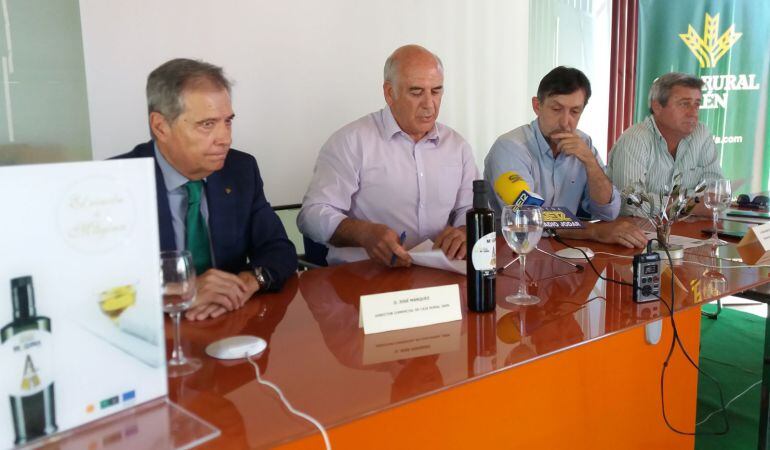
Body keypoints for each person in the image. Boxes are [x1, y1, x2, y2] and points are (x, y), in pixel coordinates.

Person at [115, 58, 297, 321]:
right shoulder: (115, 183)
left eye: (228, 121)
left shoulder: (240, 170)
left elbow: (279, 249)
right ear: (160, 126)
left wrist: (247, 282)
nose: (225, 138)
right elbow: (90, 286)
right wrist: (178, 292)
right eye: (207, 124)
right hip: (151, 334)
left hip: (230, 324)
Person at [298, 45, 478, 265]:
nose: (429, 104)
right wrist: (363, 234)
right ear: (389, 93)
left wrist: (463, 230)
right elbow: (311, 215)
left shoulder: (457, 147)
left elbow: (469, 208)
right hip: (364, 279)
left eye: (436, 91)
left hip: (438, 276)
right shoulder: (351, 141)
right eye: (416, 92)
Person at [484, 66, 646, 248]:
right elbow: (527, 219)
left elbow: (608, 212)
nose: (565, 121)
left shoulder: (584, 143)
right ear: (537, 106)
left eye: (574, 112)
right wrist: (593, 232)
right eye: (556, 109)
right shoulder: (510, 147)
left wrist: (590, 162)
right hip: (516, 251)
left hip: (569, 249)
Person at [608, 72, 723, 217]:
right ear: (657, 107)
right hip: (639, 233)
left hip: (686, 230)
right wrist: (688, 205)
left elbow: (716, 193)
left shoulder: (701, 134)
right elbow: (630, 203)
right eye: (684, 104)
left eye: (697, 104)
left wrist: (681, 205)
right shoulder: (635, 139)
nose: (693, 113)